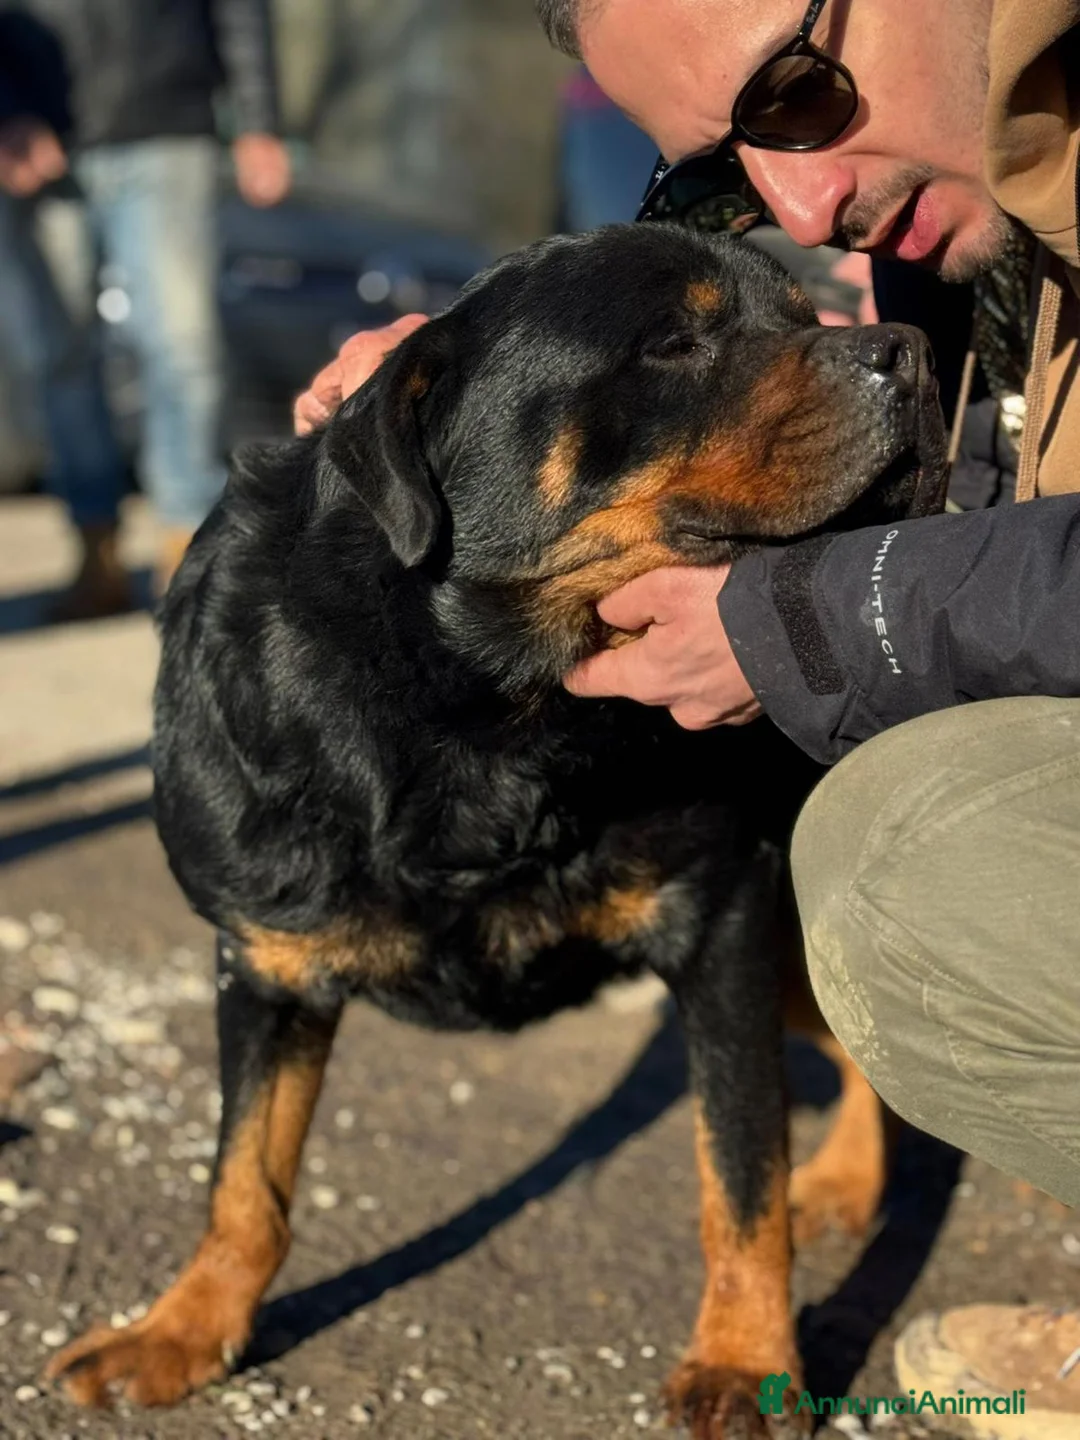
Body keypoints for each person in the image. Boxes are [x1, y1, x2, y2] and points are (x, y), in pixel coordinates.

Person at [294, 0, 1080, 1425]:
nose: (803, 206)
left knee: (907, 865)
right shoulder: (964, 221)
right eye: (719, 175)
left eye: (792, 92)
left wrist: (818, 620)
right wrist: (470, 380)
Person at [0, 1, 289, 618]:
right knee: (59, 356)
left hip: (164, 120)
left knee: (181, 343)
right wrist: (6, 108)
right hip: (35, 129)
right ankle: (94, 544)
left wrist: (259, 120)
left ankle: (186, 544)